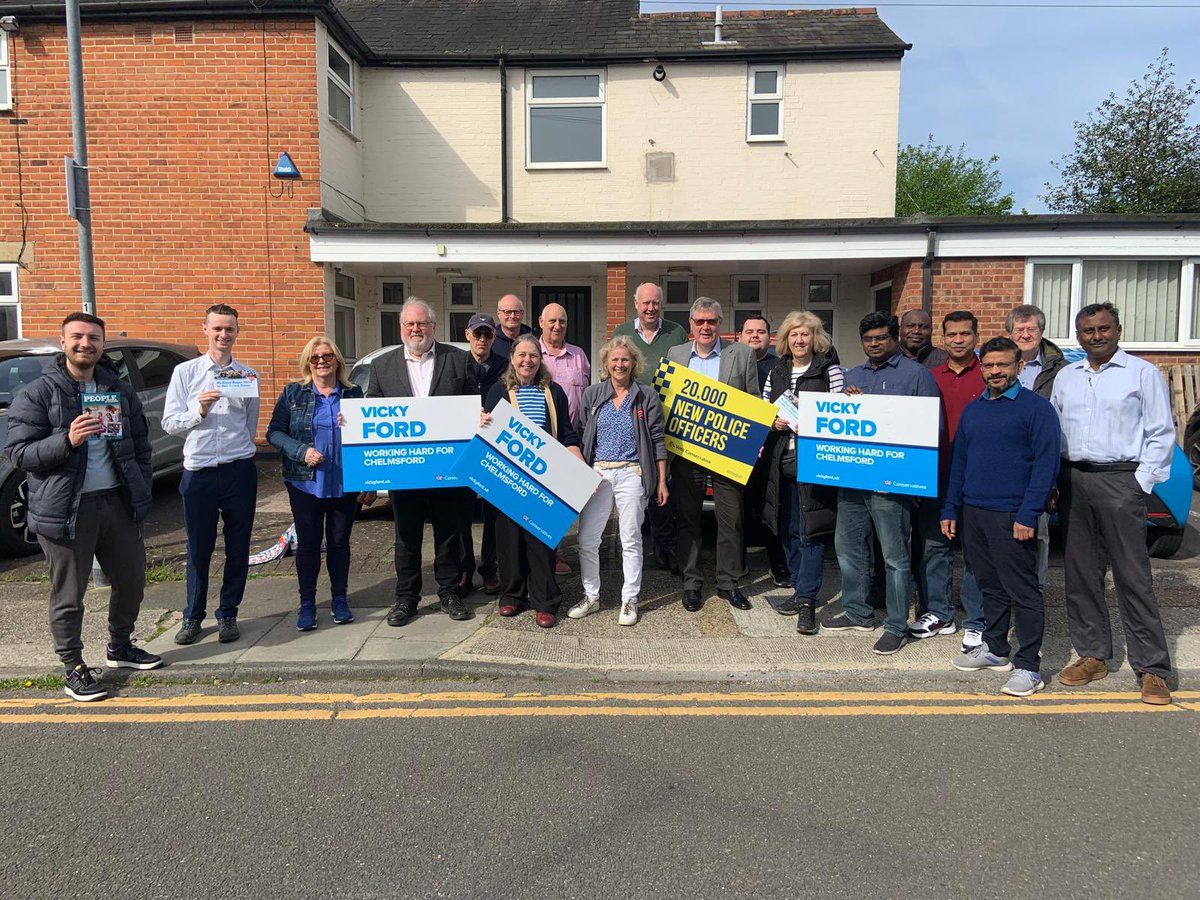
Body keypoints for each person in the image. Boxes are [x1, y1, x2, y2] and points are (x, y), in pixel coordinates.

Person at [4, 312, 162, 701]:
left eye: (93, 338)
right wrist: (66, 440)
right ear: (63, 341)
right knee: (69, 594)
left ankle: (119, 646)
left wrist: (140, 485)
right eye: (77, 337)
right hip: (67, 509)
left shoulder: (117, 390)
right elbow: (20, 453)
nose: (85, 344)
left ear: (102, 344)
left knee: (131, 582)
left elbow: (141, 444)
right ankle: (73, 666)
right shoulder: (39, 393)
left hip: (117, 503)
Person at [1051, 302, 1175, 706]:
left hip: (1122, 479)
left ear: (1118, 330)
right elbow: (1055, 429)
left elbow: (1161, 432)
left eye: (1103, 329)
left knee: (1133, 576)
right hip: (1074, 480)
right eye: (1087, 331)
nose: (1096, 336)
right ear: (1078, 335)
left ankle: (1152, 668)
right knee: (1081, 574)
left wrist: (1139, 483)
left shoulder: (1142, 373)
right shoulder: (1067, 376)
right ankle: (1093, 656)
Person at [943, 337, 1061, 697]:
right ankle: (996, 650)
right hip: (975, 512)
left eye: (1003, 365)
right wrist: (951, 507)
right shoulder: (975, 410)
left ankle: (1029, 666)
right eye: (989, 365)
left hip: (1014, 515)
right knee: (988, 585)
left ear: (1019, 367)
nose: (995, 372)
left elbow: (1046, 465)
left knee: (1023, 591)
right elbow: (960, 462)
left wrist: (1029, 514)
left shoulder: (1036, 409)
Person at [822, 312, 940, 655]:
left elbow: (932, 430)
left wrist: (914, 482)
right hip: (853, 481)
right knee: (848, 549)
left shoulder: (917, 375)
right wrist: (846, 403)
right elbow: (839, 422)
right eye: (868, 339)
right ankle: (858, 611)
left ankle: (896, 624)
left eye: (881, 338)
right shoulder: (852, 376)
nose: (874, 344)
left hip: (891, 485)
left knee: (894, 557)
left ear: (894, 338)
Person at [367, 298, 478, 627]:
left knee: (448, 533)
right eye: (410, 324)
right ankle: (406, 598)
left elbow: (472, 403)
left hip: (446, 466)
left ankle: (449, 592)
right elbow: (372, 407)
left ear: (433, 326)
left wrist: (479, 415)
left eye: (422, 324)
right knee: (406, 535)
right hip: (405, 466)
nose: (416, 329)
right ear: (402, 328)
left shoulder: (458, 360)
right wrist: (354, 422)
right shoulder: (382, 366)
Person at [164, 303, 259, 646]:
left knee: (238, 547)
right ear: (205, 330)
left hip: (239, 471)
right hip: (199, 471)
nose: (223, 334)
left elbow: (250, 426)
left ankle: (229, 613)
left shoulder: (248, 375)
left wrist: (240, 452)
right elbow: (169, 424)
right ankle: (192, 616)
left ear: (237, 332)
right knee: (198, 548)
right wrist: (198, 411)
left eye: (229, 329)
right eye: (217, 328)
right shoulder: (186, 373)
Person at [267, 336, 375, 632]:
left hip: (344, 481)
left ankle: (340, 600)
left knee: (340, 543)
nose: (322, 362)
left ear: (337, 361)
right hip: (305, 483)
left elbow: (369, 436)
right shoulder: (294, 393)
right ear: (308, 363)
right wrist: (302, 451)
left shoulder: (353, 394)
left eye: (327, 356)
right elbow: (274, 433)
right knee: (309, 545)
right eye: (315, 358)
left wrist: (369, 479)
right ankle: (307, 605)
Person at [482, 334, 583, 628]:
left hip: (544, 479)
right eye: (522, 355)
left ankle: (545, 601)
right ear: (512, 358)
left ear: (541, 361)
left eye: (533, 356)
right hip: (507, 478)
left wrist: (580, 467)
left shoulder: (554, 392)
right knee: (509, 540)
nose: (527, 361)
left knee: (541, 542)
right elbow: (487, 429)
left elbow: (566, 433)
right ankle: (512, 596)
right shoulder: (497, 391)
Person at [666, 297, 759, 612]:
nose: (706, 327)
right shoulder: (676, 355)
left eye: (712, 321)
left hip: (727, 454)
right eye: (700, 321)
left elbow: (754, 402)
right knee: (688, 520)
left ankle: (728, 584)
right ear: (691, 325)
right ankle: (692, 583)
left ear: (721, 324)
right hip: (686, 452)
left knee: (730, 520)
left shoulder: (742, 355)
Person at [570, 336, 669, 627]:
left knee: (631, 539)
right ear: (606, 363)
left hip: (631, 473)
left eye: (625, 359)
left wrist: (662, 481)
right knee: (587, 540)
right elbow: (579, 434)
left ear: (634, 363)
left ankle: (630, 599)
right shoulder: (592, 394)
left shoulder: (646, 396)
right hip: (598, 474)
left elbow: (657, 440)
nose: (620, 364)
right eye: (614, 359)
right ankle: (591, 596)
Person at [759, 311, 844, 635]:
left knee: (812, 531)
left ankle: (807, 600)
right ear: (785, 339)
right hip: (782, 462)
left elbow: (839, 413)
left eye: (805, 334)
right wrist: (773, 420)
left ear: (815, 338)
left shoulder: (829, 371)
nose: (799, 340)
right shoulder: (777, 372)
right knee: (788, 529)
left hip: (816, 460)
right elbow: (765, 411)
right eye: (793, 334)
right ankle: (798, 588)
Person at [910, 311, 985, 650]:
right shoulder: (927, 376)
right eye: (952, 334)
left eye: (964, 334)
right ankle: (939, 612)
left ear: (975, 337)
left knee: (975, 550)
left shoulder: (990, 374)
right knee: (933, 547)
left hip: (977, 477)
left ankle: (976, 618)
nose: (958, 340)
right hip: (933, 474)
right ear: (942, 338)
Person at [611, 282, 688, 574]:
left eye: (655, 303)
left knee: (661, 480)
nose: (651, 308)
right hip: (630, 419)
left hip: (667, 419)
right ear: (635, 303)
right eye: (645, 303)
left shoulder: (676, 332)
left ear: (661, 304)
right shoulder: (622, 332)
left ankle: (665, 546)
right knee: (634, 482)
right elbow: (615, 368)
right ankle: (632, 546)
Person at [1004, 303, 1068, 592]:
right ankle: (1002, 589)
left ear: (1042, 332)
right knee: (1000, 531)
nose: (1026, 334)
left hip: (1040, 459)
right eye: (1020, 329)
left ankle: (1034, 589)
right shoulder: (996, 362)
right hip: (1003, 459)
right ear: (1009, 333)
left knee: (1038, 531)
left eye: (1032, 329)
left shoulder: (1062, 370)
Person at [458, 313, 508, 595]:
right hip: (463, 449)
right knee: (461, 513)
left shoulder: (505, 367)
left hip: (494, 451)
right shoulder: (455, 365)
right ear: (468, 335)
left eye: (487, 334)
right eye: (477, 334)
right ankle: (465, 571)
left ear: (494, 337)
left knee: (493, 515)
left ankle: (490, 569)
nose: (482, 339)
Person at [740, 314, 789, 588]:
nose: (755, 335)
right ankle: (740, 561)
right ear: (740, 337)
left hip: (772, 450)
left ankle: (778, 564)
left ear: (770, 338)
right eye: (749, 331)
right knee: (739, 509)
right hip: (737, 449)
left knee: (773, 509)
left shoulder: (779, 368)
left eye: (760, 331)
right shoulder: (731, 364)